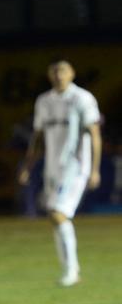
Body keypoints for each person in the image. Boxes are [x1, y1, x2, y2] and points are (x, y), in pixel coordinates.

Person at [18, 60, 102, 287]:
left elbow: (94, 133)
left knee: (58, 213)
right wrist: (28, 165)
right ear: (49, 75)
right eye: (54, 71)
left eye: (63, 70)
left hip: (75, 166)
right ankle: (70, 269)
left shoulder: (82, 98)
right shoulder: (44, 100)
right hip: (52, 167)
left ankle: (71, 271)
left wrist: (94, 169)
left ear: (72, 73)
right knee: (55, 217)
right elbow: (38, 137)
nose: (58, 74)